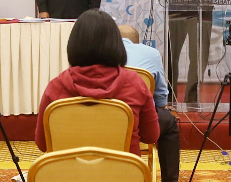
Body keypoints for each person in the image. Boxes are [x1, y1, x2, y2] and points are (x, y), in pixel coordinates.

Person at [34, 11, 160, 168]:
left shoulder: (56, 87)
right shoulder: (135, 83)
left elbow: (42, 144)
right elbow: (151, 136)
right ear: (116, 44)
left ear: (74, 44)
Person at [118, 24, 184, 182]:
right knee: (169, 123)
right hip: (140, 120)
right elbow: (161, 95)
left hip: (108, 119)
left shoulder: (102, 53)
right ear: (138, 42)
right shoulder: (151, 53)